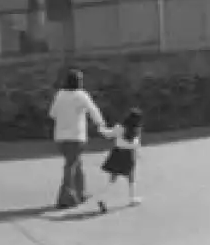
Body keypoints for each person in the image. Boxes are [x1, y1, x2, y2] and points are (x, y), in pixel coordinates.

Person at [50, 68, 108, 208]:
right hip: (76, 136)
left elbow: (52, 113)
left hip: (60, 137)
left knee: (76, 163)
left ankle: (80, 192)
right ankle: (65, 197)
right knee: (71, 165)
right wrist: (101, 124)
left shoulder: (60, 95)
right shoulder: (81, 95)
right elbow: (93, 111)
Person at [96, 108, 143, 212]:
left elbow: (108, 134)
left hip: (117, 153)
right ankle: (132, 198)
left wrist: (101, 129)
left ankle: (103, 198)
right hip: (128, 155)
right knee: (131, 178)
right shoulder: (136, 130)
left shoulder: (120, 127)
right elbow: (136, 144)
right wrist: (137, 154)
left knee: (113, 178)